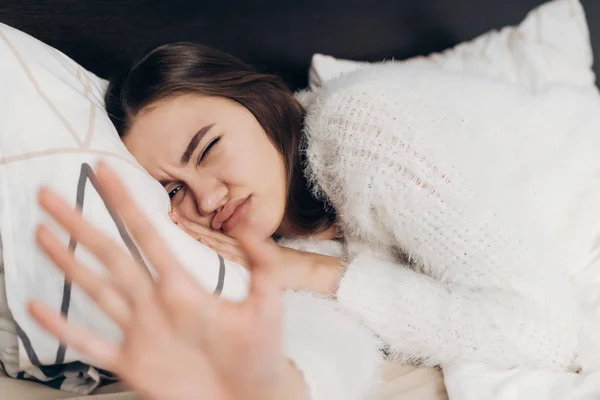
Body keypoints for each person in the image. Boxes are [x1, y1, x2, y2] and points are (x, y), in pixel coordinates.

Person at [31, 41, 593, 397]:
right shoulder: (269, 240)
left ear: (256, 102)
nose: (205, 199)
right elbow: (327, 336)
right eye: (172, 189)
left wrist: (318, 275)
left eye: (207, 149)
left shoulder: (363, 127)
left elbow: (538, 332)